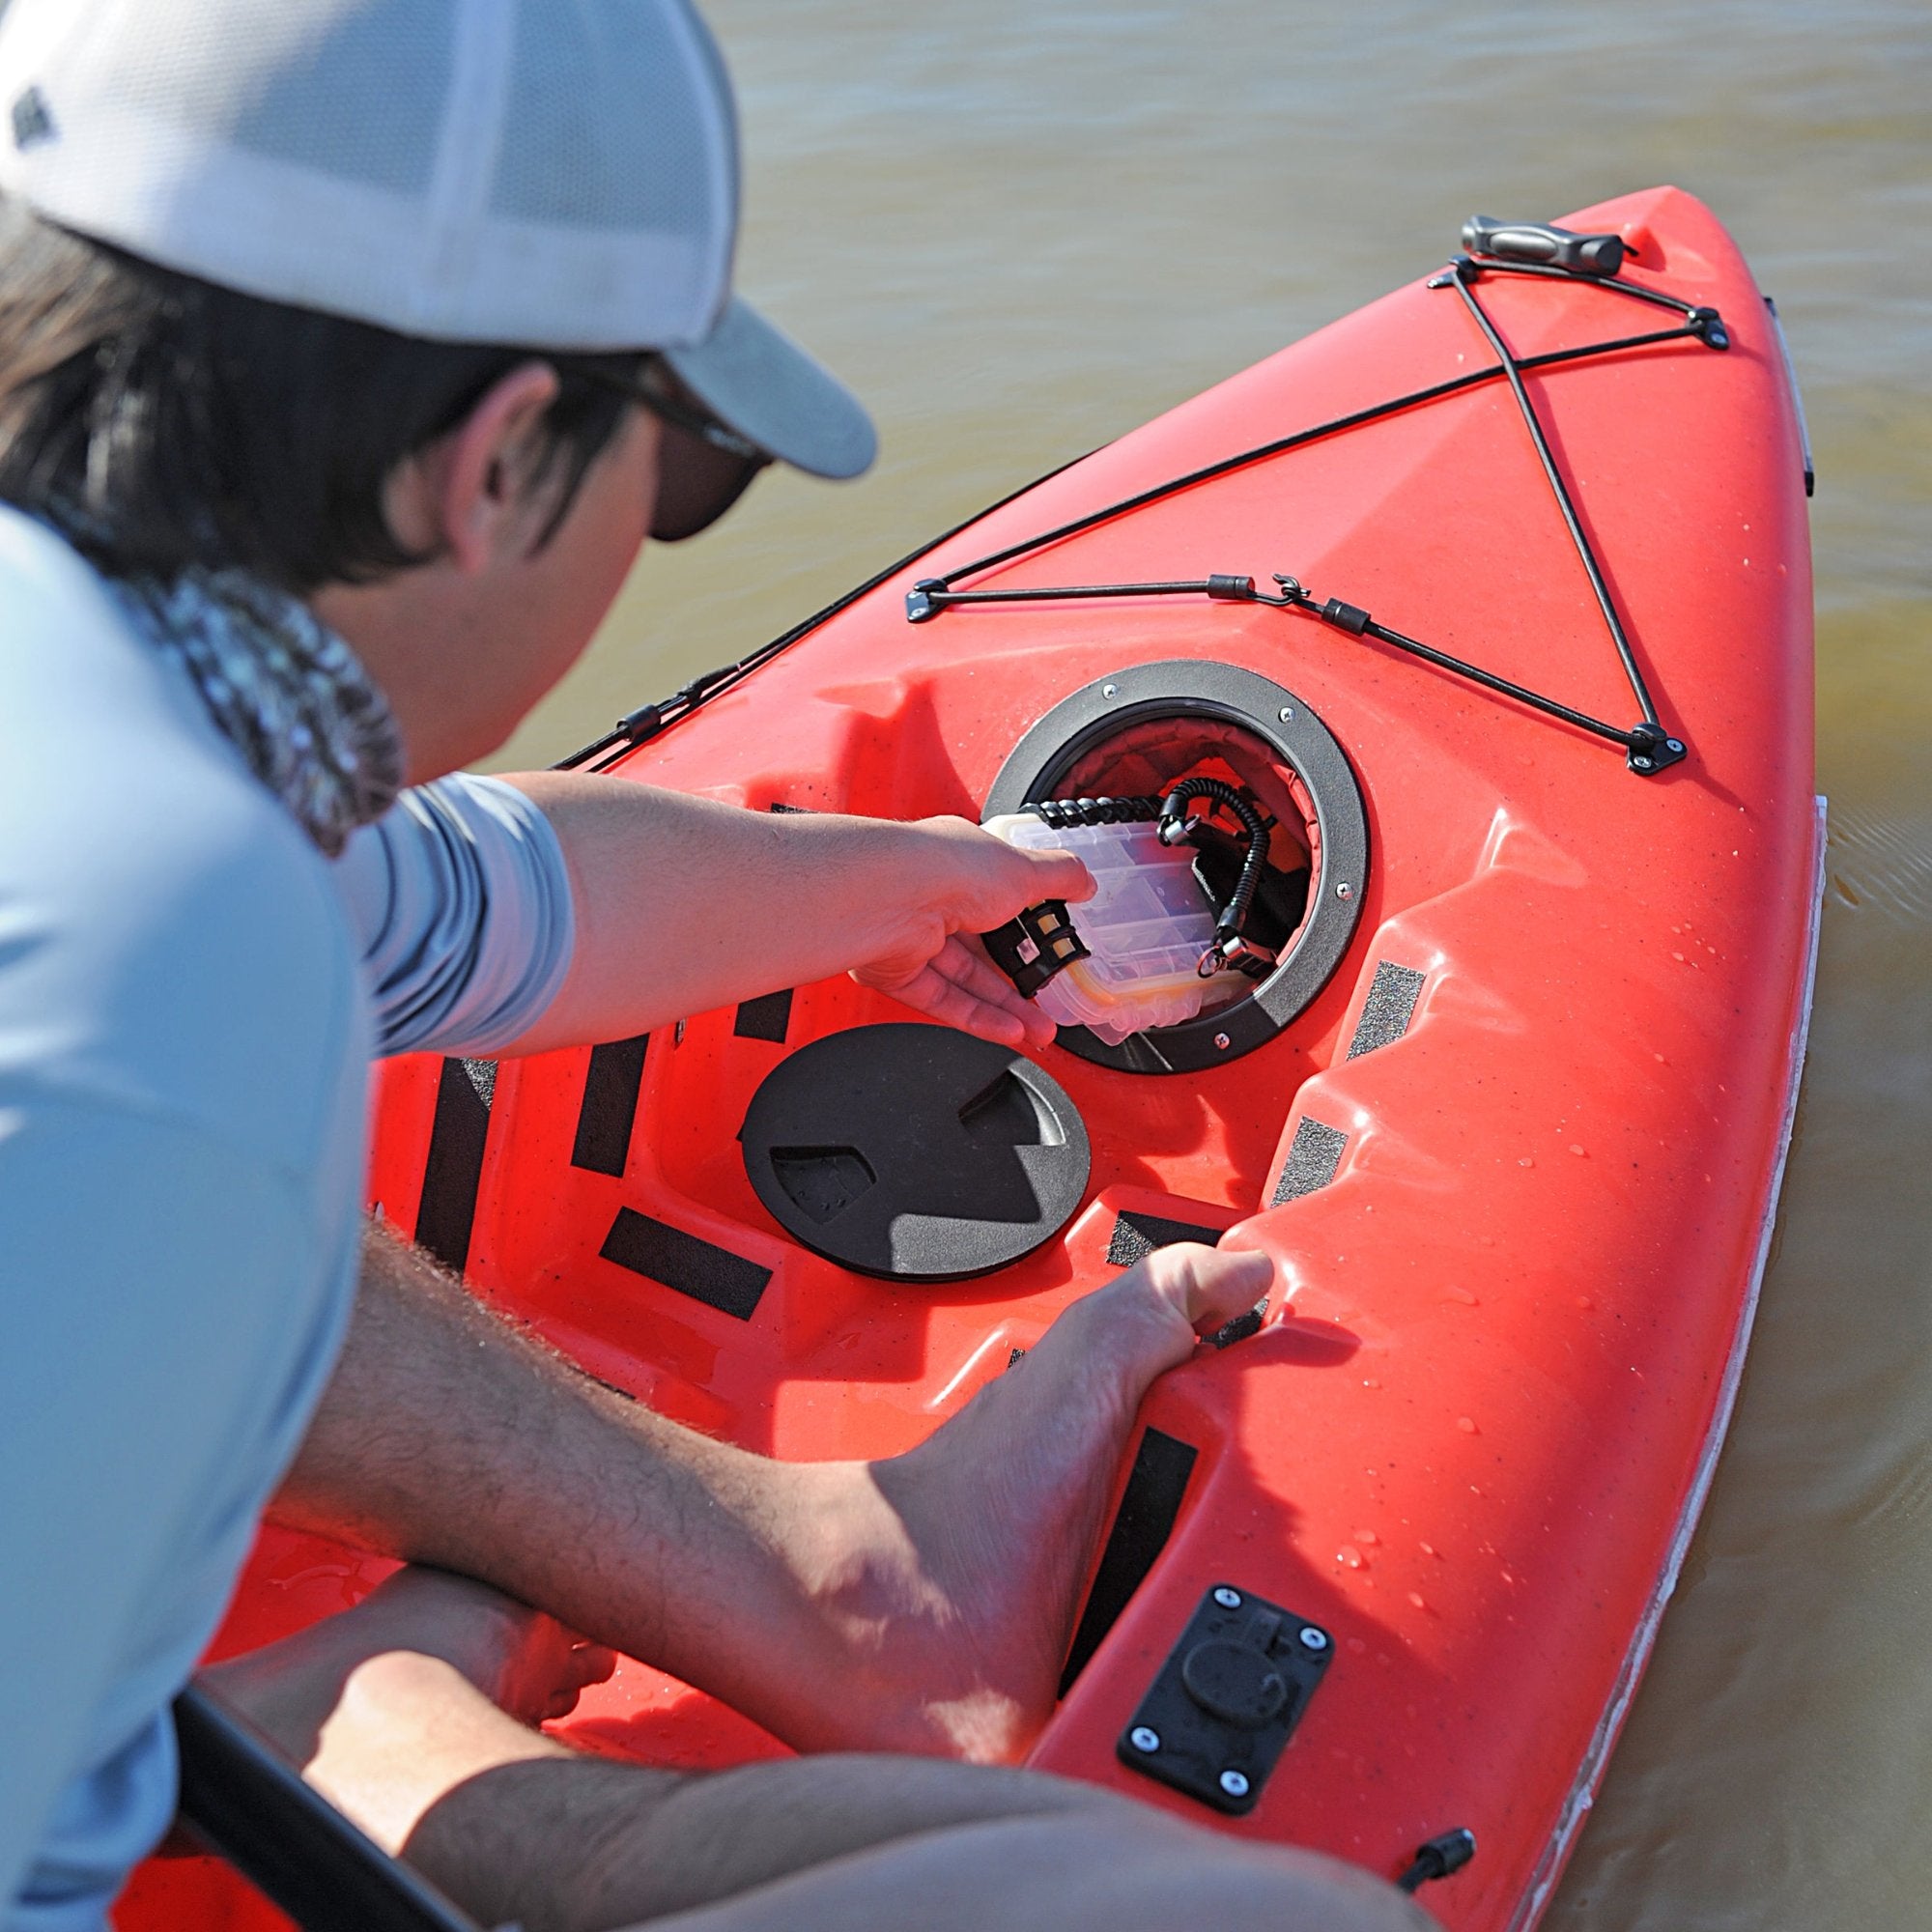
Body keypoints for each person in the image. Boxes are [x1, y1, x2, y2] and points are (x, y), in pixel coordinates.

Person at [0, 4, 1427, 1929]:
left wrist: (919, 878)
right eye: (683, 476)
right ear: (500, 461)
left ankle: (588, 1675)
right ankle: (400, 1763)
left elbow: (472, 898)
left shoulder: (112, 747)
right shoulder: (152, 985)